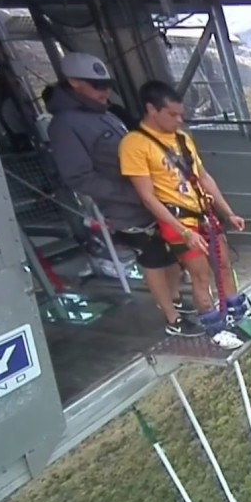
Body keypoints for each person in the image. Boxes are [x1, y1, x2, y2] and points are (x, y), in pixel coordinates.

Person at [45, 52, 204, 338]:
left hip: (155, 200)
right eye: (96, 85)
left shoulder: (107, 114)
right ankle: (172, 318)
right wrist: (132, 193)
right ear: (74, 83)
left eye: (106, 84)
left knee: (173, 254)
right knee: (154, 260)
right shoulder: (65, 125)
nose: (104, 91)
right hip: (127, 209)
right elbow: (79, 176)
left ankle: (177, 301)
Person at [119, 80, 251, 350]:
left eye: (181, 114)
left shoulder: (182, 138)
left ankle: (238, 314)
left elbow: (203, 176)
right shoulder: (135, 145)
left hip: (204, 215)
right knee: (199, 274)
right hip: (177, 222)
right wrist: (183, 231)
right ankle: (214, 325)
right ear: (151, 109)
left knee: (223, 265)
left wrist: (228, 211)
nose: (179, 120)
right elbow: (147, 196)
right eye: (172, 115)